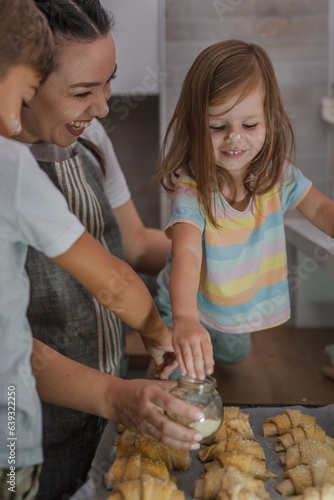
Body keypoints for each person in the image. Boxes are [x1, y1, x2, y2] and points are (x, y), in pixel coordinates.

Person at [13, 1, 203, 499]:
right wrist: (118, 392)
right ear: (25, 84)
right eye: (83, 91)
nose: (102, 107)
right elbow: (12, 346)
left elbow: (135, 244)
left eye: (108, 82)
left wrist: (212, 254)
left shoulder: (90, 138)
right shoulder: (14, 172)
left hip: (112, 414)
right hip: (28, 431)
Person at [155, 39, 334, 382]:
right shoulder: (192, 192)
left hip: (229, 304)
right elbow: (187, 255)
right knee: (184, 377)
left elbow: (320, 208)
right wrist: (186, 320)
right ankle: (175, 335)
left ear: (269, 120)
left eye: (249, 126)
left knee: (234, 354)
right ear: (195, 126)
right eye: (218, 127)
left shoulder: (275, 174)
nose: (235, 138)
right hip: (186, 302)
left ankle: (209, 340)